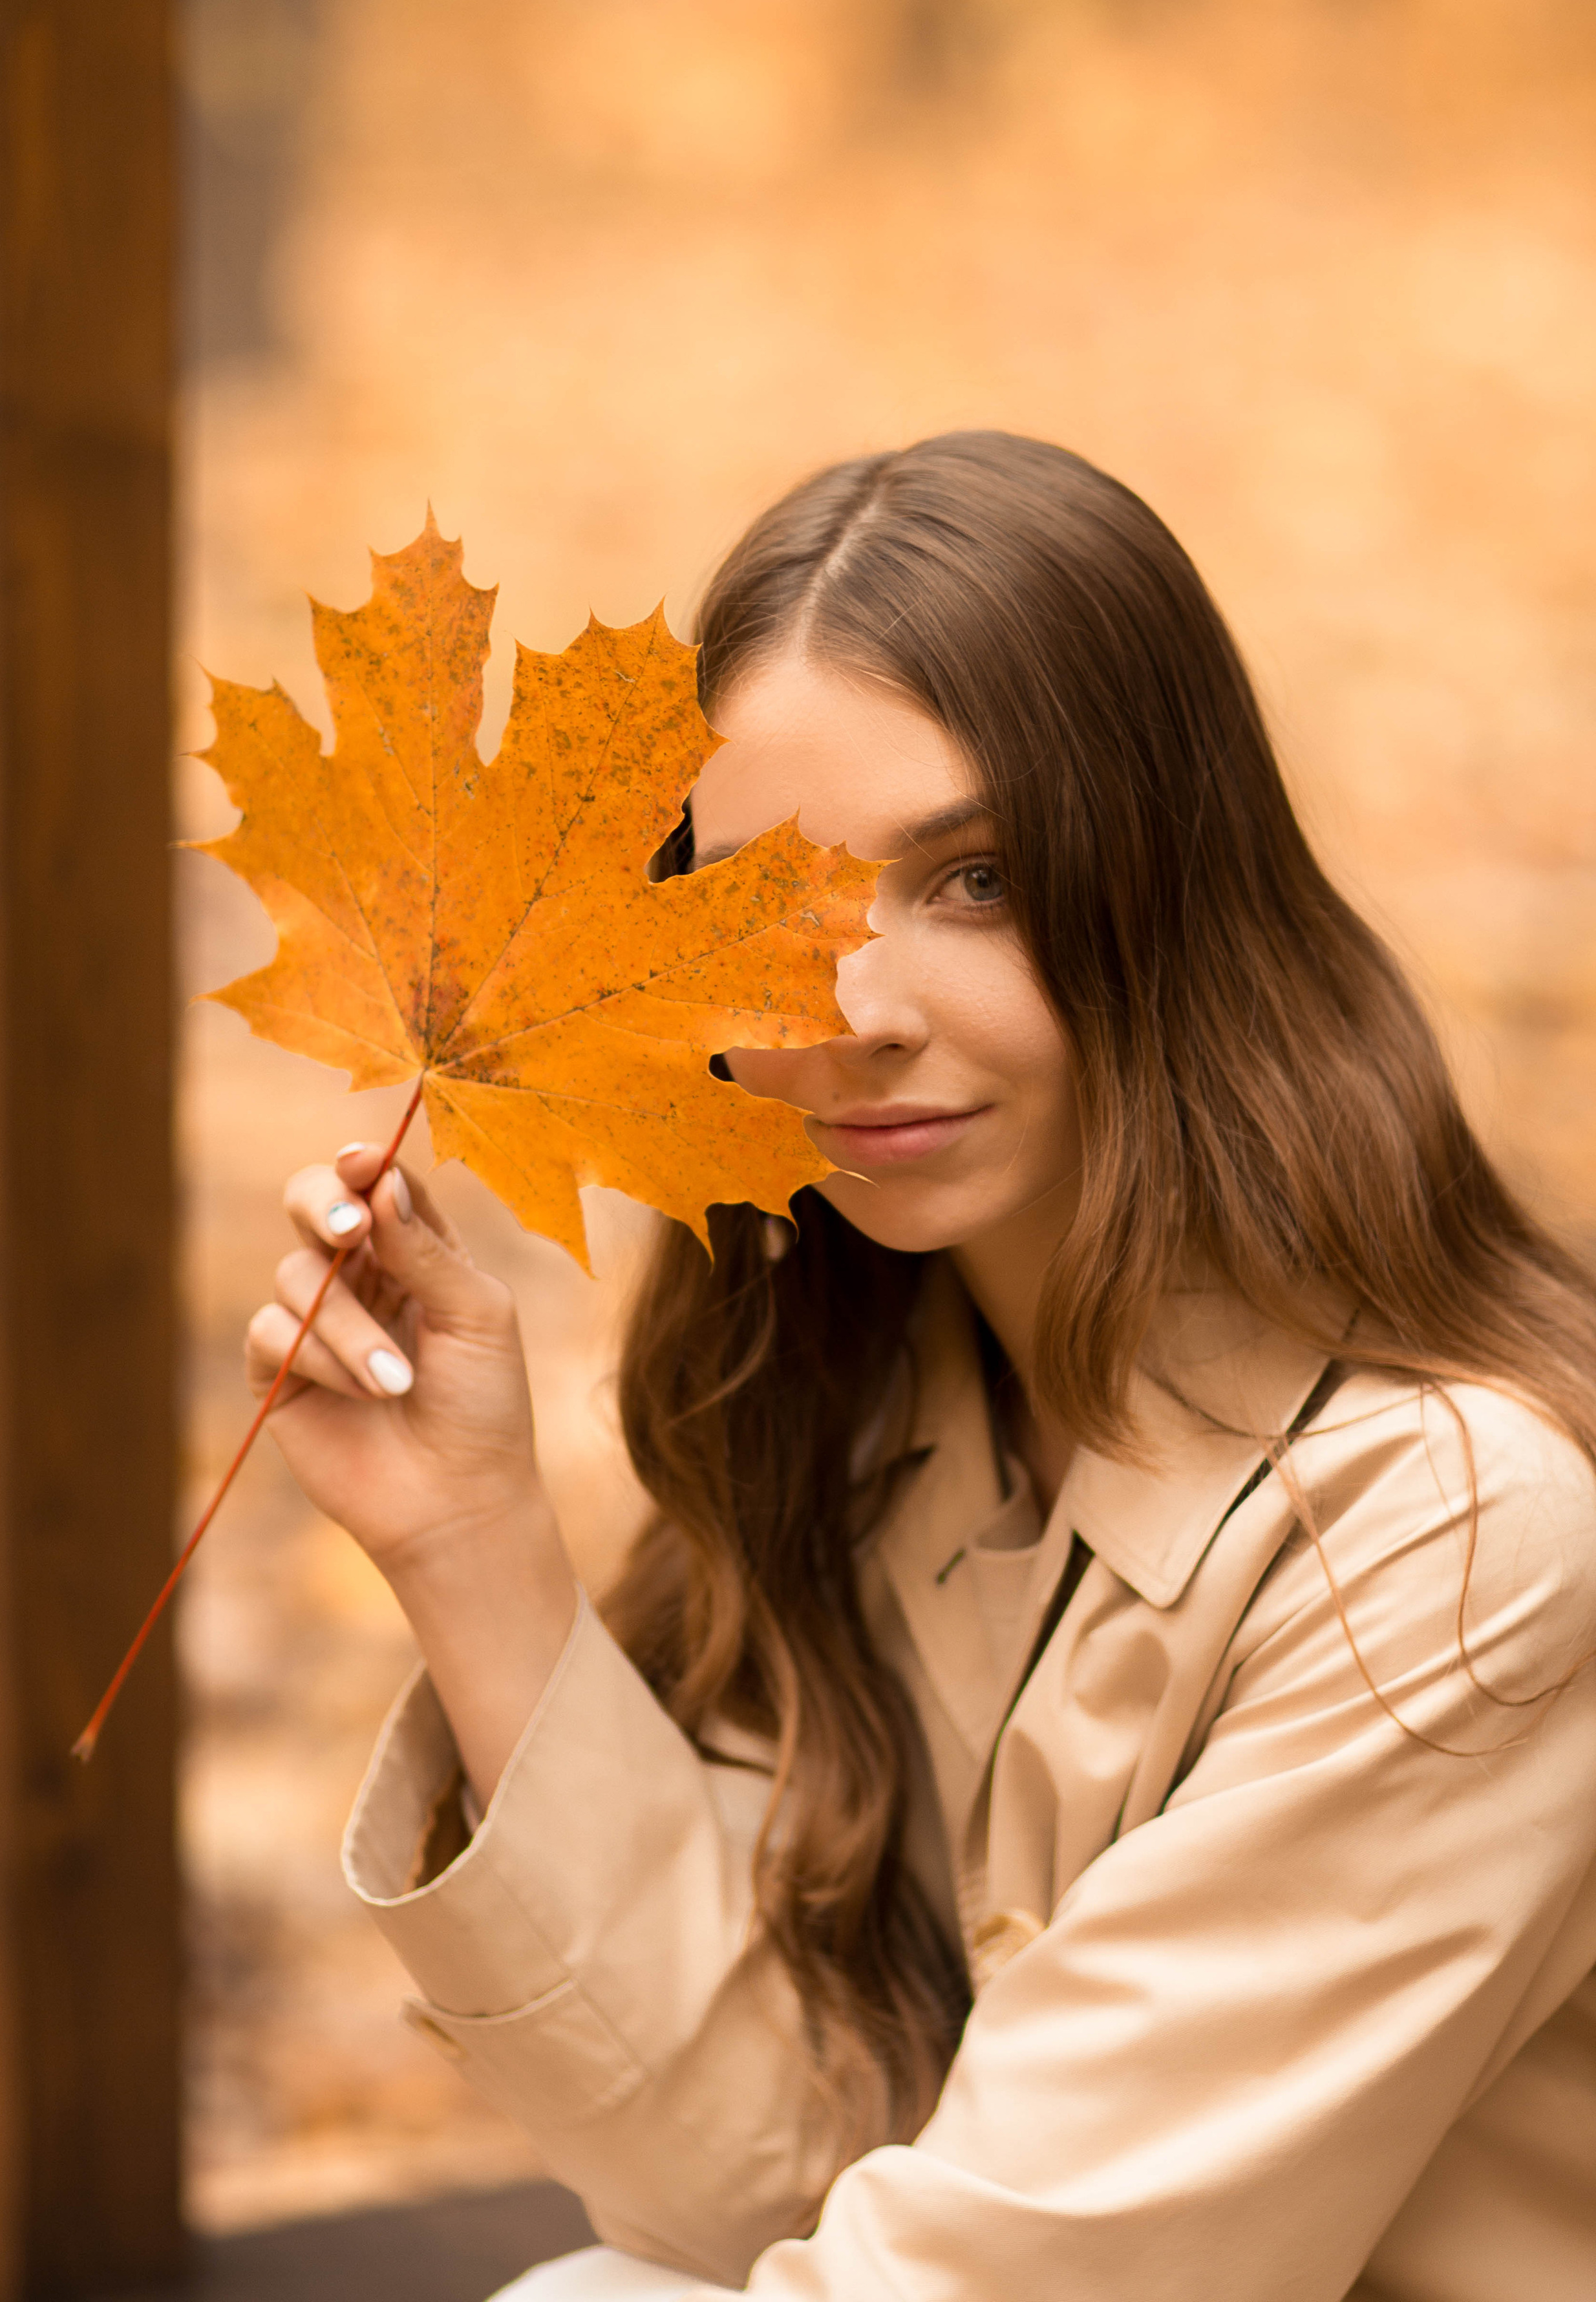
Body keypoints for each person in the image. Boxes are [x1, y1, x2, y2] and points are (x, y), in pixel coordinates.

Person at [246, 433, 1596, 2301]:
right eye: (774, 906)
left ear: (1173, 874)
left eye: (971, 880)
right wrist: (467, 1535)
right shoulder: (874, 1415)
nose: (855, 1012)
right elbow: (760, 2196)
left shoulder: (1453, 1539)